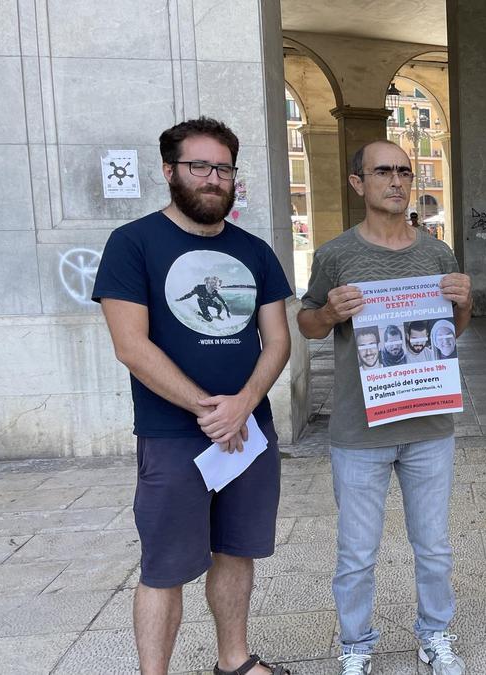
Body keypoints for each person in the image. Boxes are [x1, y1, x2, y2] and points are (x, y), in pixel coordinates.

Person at [92, 117, 292, 675]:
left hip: (247, 432)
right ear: (169, 171)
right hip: (174, 436)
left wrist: (243, 404)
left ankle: (234, 660)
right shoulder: (133, 243)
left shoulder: (255, 251)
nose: (213, 178)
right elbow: (131, 346)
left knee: (237, 550)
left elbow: (277, 340)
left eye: (223, 169)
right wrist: (210, 408)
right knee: (165, 567)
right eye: (199, 166)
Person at [297, 139, 473, 675]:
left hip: (428, 422)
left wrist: (463, 302)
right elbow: (307, 324)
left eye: (404, 172)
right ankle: (355, 644)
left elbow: (453, 331)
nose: (396, 182)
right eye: (382, 172)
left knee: (434, 546)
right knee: (356, 553)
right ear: (358, 183)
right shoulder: (335, 255)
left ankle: (435, 634)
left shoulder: (437, 254)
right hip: (360, 429)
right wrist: (329, 313)